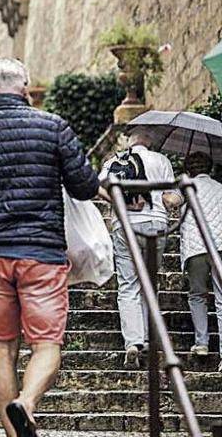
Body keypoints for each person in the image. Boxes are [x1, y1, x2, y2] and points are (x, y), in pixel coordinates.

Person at [0, 58, 99, 437]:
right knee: (46, 344)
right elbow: (85, 187)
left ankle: (15, 435)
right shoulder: (52, 126)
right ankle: (26, 403)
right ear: (27, 90)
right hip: (41, 254)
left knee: (2, 348)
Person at [98, 131, 182, 368]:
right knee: (149, 282)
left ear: (131, 142)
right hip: (156, 223)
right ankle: (147, 339)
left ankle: (133, 342)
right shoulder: (161, 160)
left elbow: (97, 185)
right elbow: (171, 200)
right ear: (150, 143)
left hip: (125, 224)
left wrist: (117, 202)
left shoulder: (115, 160)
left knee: (128, 283)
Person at [176, 152, 222, 367]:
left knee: (197, 295)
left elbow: (172, 205)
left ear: (189, 169)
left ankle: (202, 342)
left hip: (196, 249)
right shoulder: (220, 188)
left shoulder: (185, 188)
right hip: (220, 247)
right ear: (210, 168)